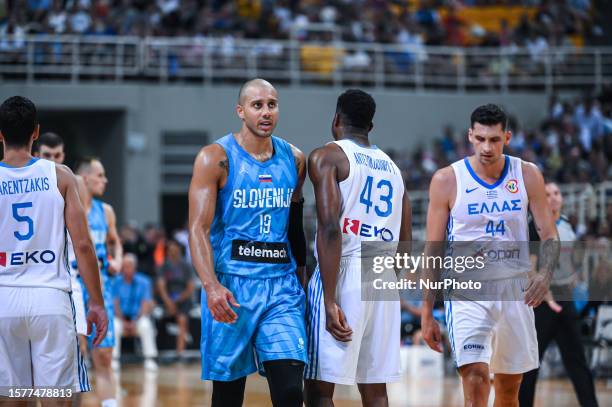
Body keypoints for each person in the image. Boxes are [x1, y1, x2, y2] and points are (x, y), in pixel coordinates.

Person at [421, 104, 559, 407]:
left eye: (494, 139)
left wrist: (545, 274)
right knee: (476, 379)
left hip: (515, 289)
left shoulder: (527, 174)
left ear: (507, 137)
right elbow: (433, 249)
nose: (486, 147)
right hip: (467, 290)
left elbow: (549, 234)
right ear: (470, 135)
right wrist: (427, 311)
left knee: (510, 392)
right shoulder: (447, 179)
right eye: (480, 138)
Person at [188, 78, 308, 407]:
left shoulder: (295, 160)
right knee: (228, 398)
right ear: (241, 111)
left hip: (280, 289)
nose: (266, 112)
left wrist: (304, 274)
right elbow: (197, 228)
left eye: (272, 104)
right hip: (231, 289)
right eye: (257, 105)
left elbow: (295, 224)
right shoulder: (215, 158)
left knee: (289, 392)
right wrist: (211, 286)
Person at [304, 89, 412, 407]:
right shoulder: (395, 170)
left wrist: (329, 298)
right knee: (375, 390)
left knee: (319, 389)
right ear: (371, 127)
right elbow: (405, 246)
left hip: (344, 269)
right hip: (383, 276)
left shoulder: (328, 156)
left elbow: (329, 229)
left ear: (336, 120)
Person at [0, 96, 107, 398]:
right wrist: (96, 302)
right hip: (50, 298)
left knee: (13, 399)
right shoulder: (60, 176)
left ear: (0, 134)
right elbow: (83, 245)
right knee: (56, 400)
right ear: (35, 132)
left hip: (3, 298)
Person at [518, 182, 599, 407]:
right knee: (531, 364)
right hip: (541, 302)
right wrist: (549, 297)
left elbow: (569, 261)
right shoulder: (535, 227)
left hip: (565, 300)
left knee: (577, 362)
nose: (553, 198)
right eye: (547, 194)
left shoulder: (566, 226)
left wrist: (573, 278)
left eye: (556, 193)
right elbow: (530, 268)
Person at [35, 131, 90, 357]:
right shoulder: (27, 181)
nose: (53, 160)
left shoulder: (73, 182)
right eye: (47, 155)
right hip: (33, 275)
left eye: (57, 155)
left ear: (63, 155)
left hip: (67, 275)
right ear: (36, 154)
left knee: (78, 350)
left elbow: (82, 236)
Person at [76, 157, 123, 407]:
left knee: (104, 355)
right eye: (100, 175)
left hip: (101, 287)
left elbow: (115, 241)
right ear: (85, 178)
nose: (105, 180)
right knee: (74, 358)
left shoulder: (106, 211)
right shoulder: (67, 207)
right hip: (71, 284)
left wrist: (116, 259)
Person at [113, 253, 158, 372]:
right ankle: (114, 359)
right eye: (125, 266)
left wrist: (134, 321)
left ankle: (150, 359)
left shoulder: (145, 281)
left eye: (130, 266)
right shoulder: (115, 281)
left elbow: (146, 303)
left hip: (137, 317)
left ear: (135, 267)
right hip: (120, 317)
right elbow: (115, 303)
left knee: (145, 325)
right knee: (115, 325)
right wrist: (123, 321)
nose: (127, 269)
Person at [157, 238, 195, 359]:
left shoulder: (186, 266)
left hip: (183, 299)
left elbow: (190, 288)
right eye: (170, 250)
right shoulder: (163, 266)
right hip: (167, 299)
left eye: (175, 250)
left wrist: (177, 301)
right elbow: (161, 286)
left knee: (182, 319)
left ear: (179, 250)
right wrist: (168, 301)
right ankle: (158, 351)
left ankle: (180, 353)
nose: (172, 252)